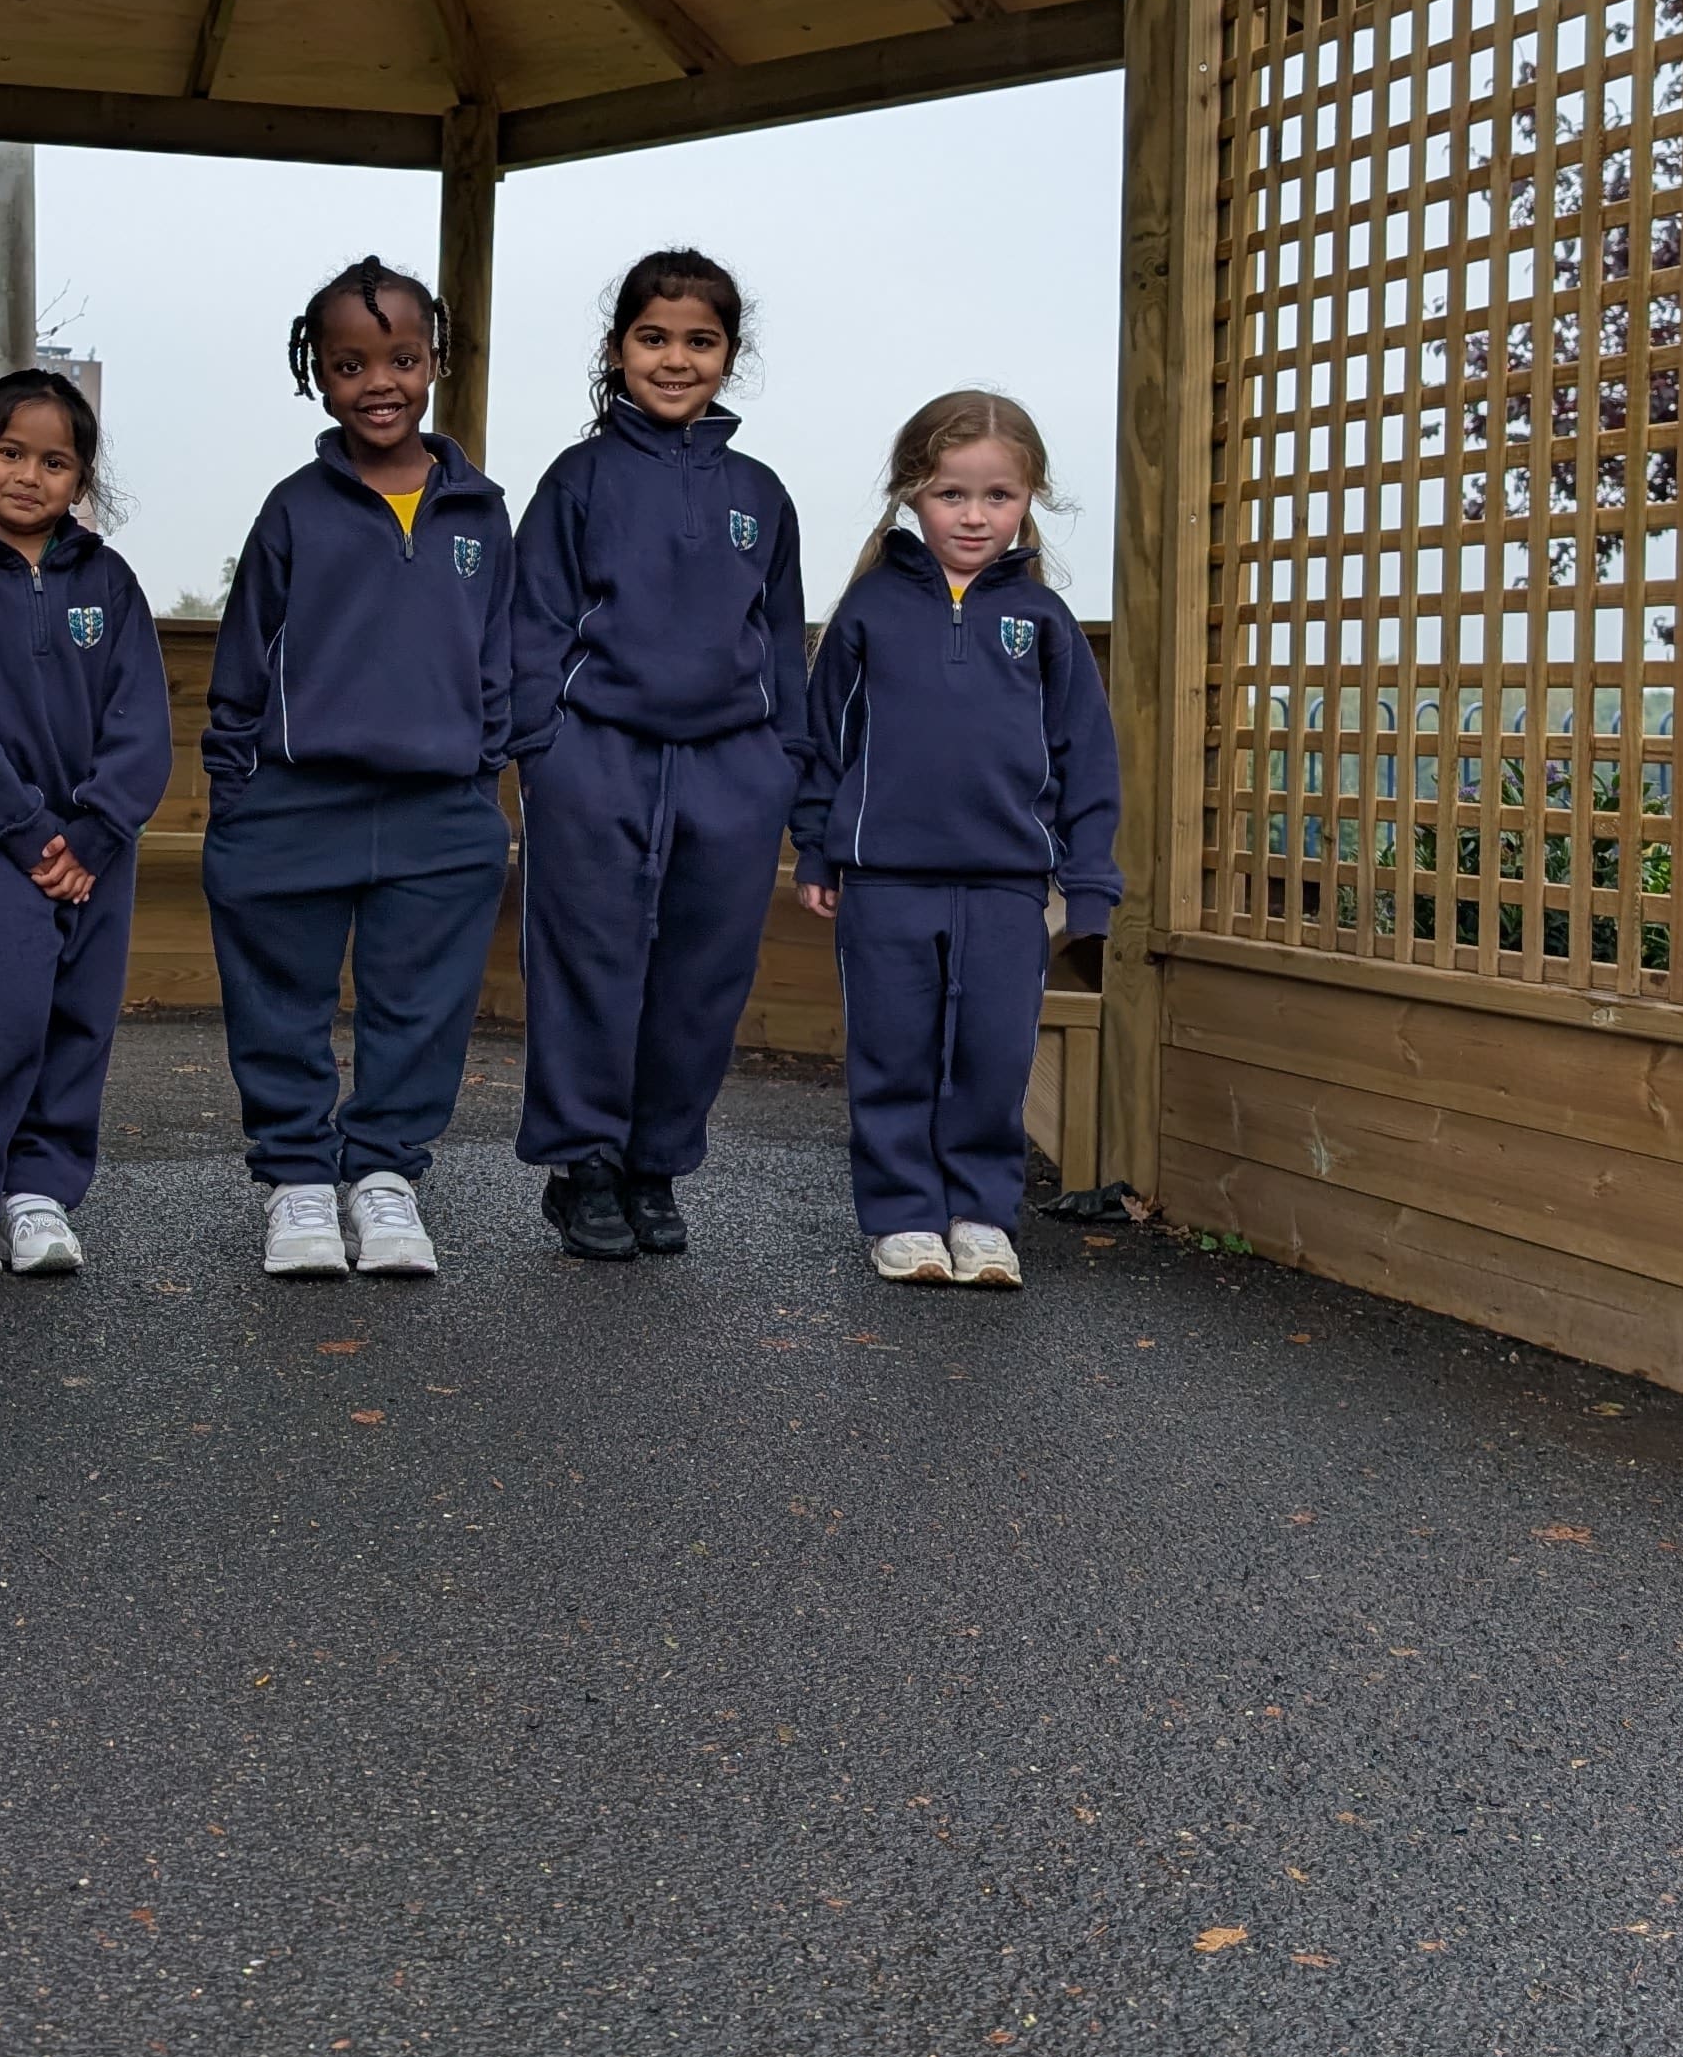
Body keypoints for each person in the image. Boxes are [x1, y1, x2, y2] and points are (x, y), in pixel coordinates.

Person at [202, 257, 515, 1280]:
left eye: (401, 358)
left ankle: (385, 1182)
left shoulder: (483, 512)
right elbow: (244, 658)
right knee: (280, 1001)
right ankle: (297, 1184)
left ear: (434, 362)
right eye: (348, 363)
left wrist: (482, 779)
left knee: (419, 1009)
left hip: (440, 812)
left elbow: (502, 655)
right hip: (296, 805)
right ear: (318, 374)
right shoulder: (295, 508)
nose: (378, 382)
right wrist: (238, 793)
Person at [507, 249, 807, 1261]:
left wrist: (781, 765)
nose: (674, 359)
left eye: (699, 341)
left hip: (732, 769)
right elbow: (534, 622)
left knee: (704, 974)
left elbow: (784, 642)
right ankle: (582, 1165)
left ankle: (654, 1164)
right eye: (653, 338)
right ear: (618, 348)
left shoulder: (760, 495)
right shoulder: (578, 479)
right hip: (595, 757)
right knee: (588, 961)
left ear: (730, 355)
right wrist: (542, 748)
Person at [792, 390, 1117, 1290]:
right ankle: (901, 1217)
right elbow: (826, 742)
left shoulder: (1043, 623)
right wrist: (817, 846)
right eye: (949, 494)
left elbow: (1086, 758)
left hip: (1010, 888)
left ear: (1029, 501)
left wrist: (1087, 884)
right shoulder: (866, 612)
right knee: (891, 1051)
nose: (974, 516)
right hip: (885, 883)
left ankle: (980, 1216)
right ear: (910, 496)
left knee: (993, 1056)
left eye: (998, 496)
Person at [0, 369, 172, 1282]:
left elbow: (143, 722)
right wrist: (28, 831)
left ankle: (38, 1191)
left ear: (80, 481)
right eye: (10, 453)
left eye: (55, 461)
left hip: (99, 854)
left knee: (79, 1022)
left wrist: (93, 835)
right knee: (3, 1022)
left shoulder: (111, 583)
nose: (28, 475)